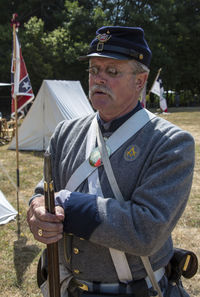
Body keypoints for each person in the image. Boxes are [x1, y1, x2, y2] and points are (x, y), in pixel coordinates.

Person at [27, 26, 195, 297]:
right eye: (94, 70)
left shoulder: (171, 143)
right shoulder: (65, 133)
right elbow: (44, 193)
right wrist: (37, 211)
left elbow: (145, 230)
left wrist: (66, 203)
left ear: (140, 81)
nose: (98, 79)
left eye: (112, 71)